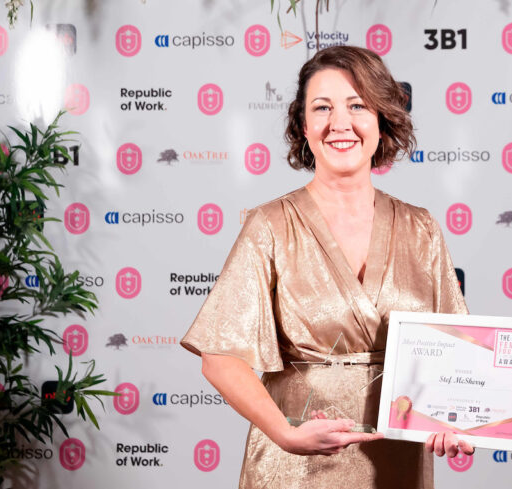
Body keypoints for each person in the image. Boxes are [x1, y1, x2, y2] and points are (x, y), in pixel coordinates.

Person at [181, 45, 472, 489]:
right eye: (322, 108)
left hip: (396, 458)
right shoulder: (271, 225)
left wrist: (455, 420)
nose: (340, 123)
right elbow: (219, 357)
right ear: (303, 125)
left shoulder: (422, 228)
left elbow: (456, 352)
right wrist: (285, 434)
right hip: (295, 463)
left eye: (357, 105)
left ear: (382, 119)